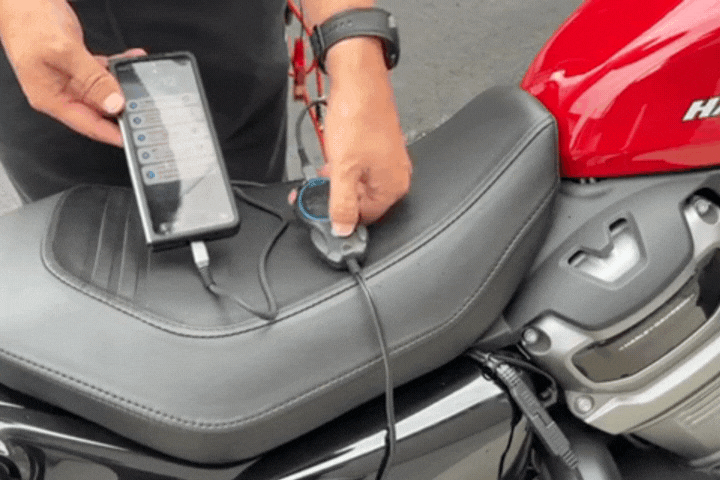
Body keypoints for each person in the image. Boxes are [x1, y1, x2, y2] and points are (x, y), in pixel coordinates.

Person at [0, 0, 411, 237]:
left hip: (229, 39)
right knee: (83, 250)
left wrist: (358, 61)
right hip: (41, 56)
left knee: (254, 229)